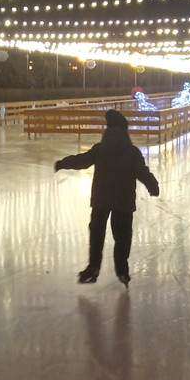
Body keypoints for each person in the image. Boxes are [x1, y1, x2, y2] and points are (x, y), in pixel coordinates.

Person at [54, 109, 160, 287]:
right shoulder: (132, 152)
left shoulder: (100, 149)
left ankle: (93, 267)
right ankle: (122, 271)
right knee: (122, 236)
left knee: (96, 233)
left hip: (101, 199)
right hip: (123, 201)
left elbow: (82, 160)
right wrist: (153, 186)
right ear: (125, 130)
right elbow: (142, 172)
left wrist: (63, 163)